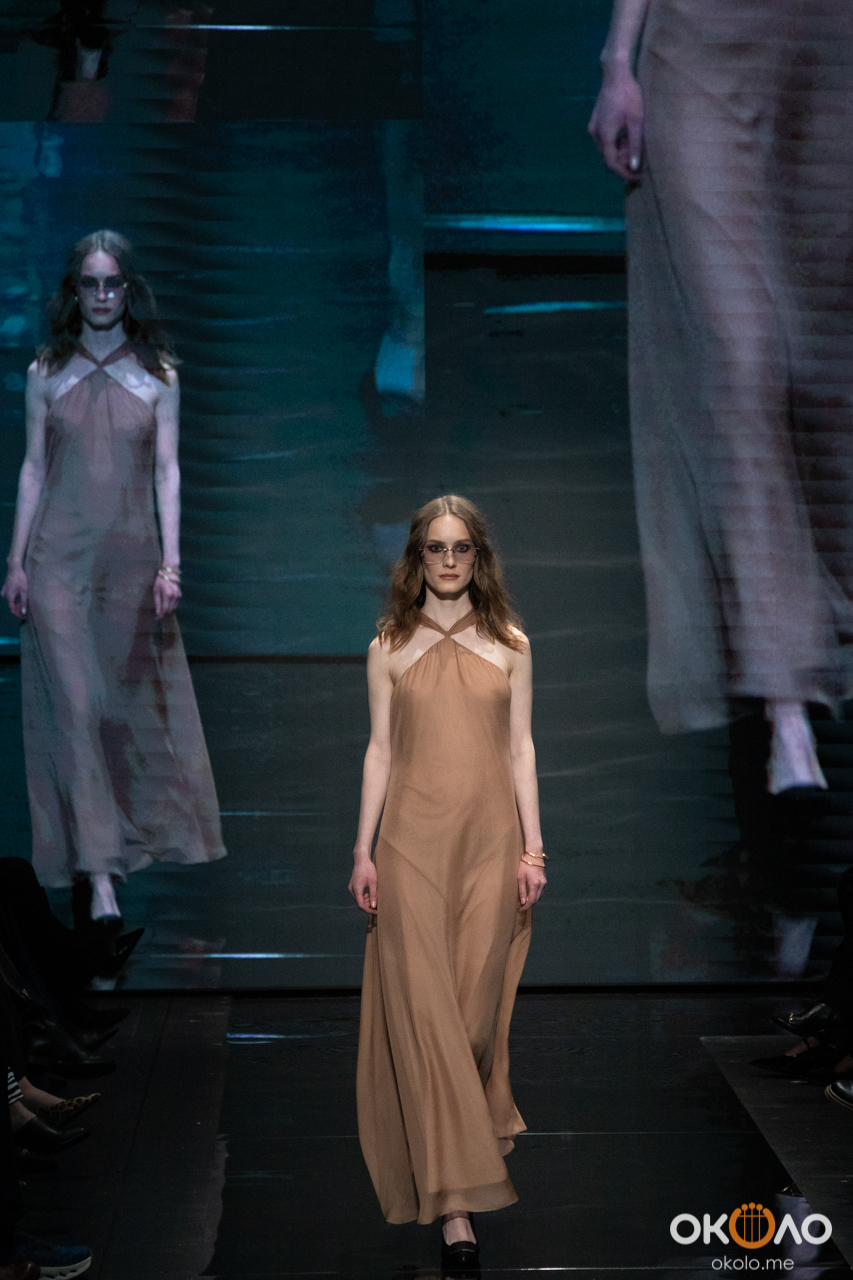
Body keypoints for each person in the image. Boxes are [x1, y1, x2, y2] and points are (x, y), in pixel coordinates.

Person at [588, 0, 853, 795]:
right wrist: (617, 61)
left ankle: (822, 637)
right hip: (696, 47)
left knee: (823, 372)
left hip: (830, 53)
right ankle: (784, 705)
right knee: (741, 361)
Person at [1, 229, 225, 929]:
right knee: (74, 708)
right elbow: (33, 467)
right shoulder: (45, 372)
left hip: (129, 564)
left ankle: (106, 849)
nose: (101, 295)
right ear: (74, 292)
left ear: (129, 290)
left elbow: (168, 472)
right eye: (89, 283)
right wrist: (15, 561)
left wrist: (171, 564)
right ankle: (100, 877)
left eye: (112, 283)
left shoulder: (160, 377)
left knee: (111, 713)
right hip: (56, 561)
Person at [350, 494, 546, 1270]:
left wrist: (533, 852)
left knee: (470, 1025)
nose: (448, 560)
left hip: (489, 849)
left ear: (478, 556)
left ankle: (463, 1145)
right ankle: (455, 1210)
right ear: (416, 557)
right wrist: (362, 851)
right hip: (409, 850)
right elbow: (379, 751)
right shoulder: (387, 645)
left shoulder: (511, 644)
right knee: (428, 1025)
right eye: (435, 547)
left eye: (461, 547)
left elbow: (521, 748)